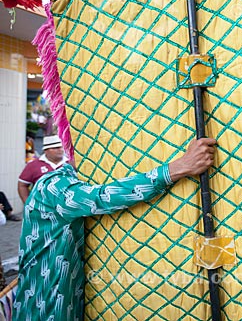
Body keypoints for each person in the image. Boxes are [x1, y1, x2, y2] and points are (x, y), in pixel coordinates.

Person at [12, 137, 216, 320]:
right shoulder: (53, 185)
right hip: (44, 304)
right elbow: (101, 198)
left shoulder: (72, 182)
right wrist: (177, 168)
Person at [18, 135, 67, 204]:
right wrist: (28, 204)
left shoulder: (71, 164)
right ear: (46, 150)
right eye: (56, 148)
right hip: (43, 208)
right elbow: (22, 185)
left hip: (69, 209)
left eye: (61, 147)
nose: (60, 150)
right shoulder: (33, 165)